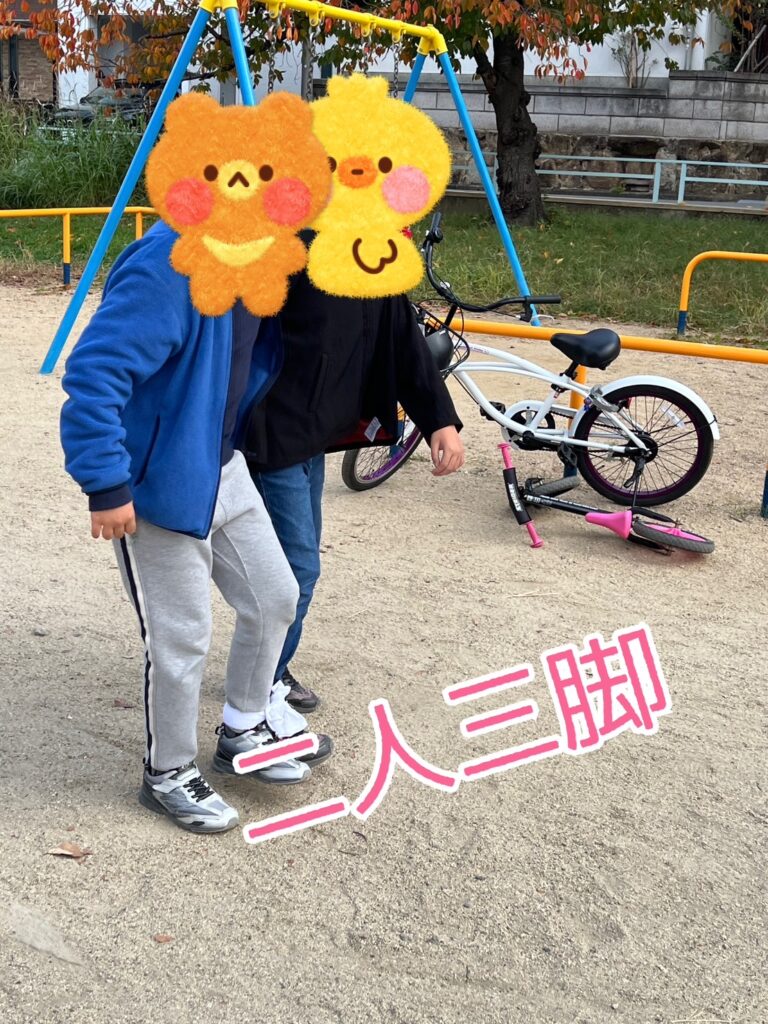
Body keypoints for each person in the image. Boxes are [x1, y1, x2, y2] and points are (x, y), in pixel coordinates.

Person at [60, 222, 333, 835]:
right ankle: (168, 773)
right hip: (160, 483)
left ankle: (243, 727)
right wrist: (106, 483)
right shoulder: (168, 262)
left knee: (275, 596)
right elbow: (95, 373)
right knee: (181, 637)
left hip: (222, 464)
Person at [243, 267, 465, 713]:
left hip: (314, 432)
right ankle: (260, 685)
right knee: (296, 571)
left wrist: (438, 418)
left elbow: (401, 334)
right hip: (271, 433)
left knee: (296, 566)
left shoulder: (367, 250)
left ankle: (265, 672)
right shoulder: (283, 247)